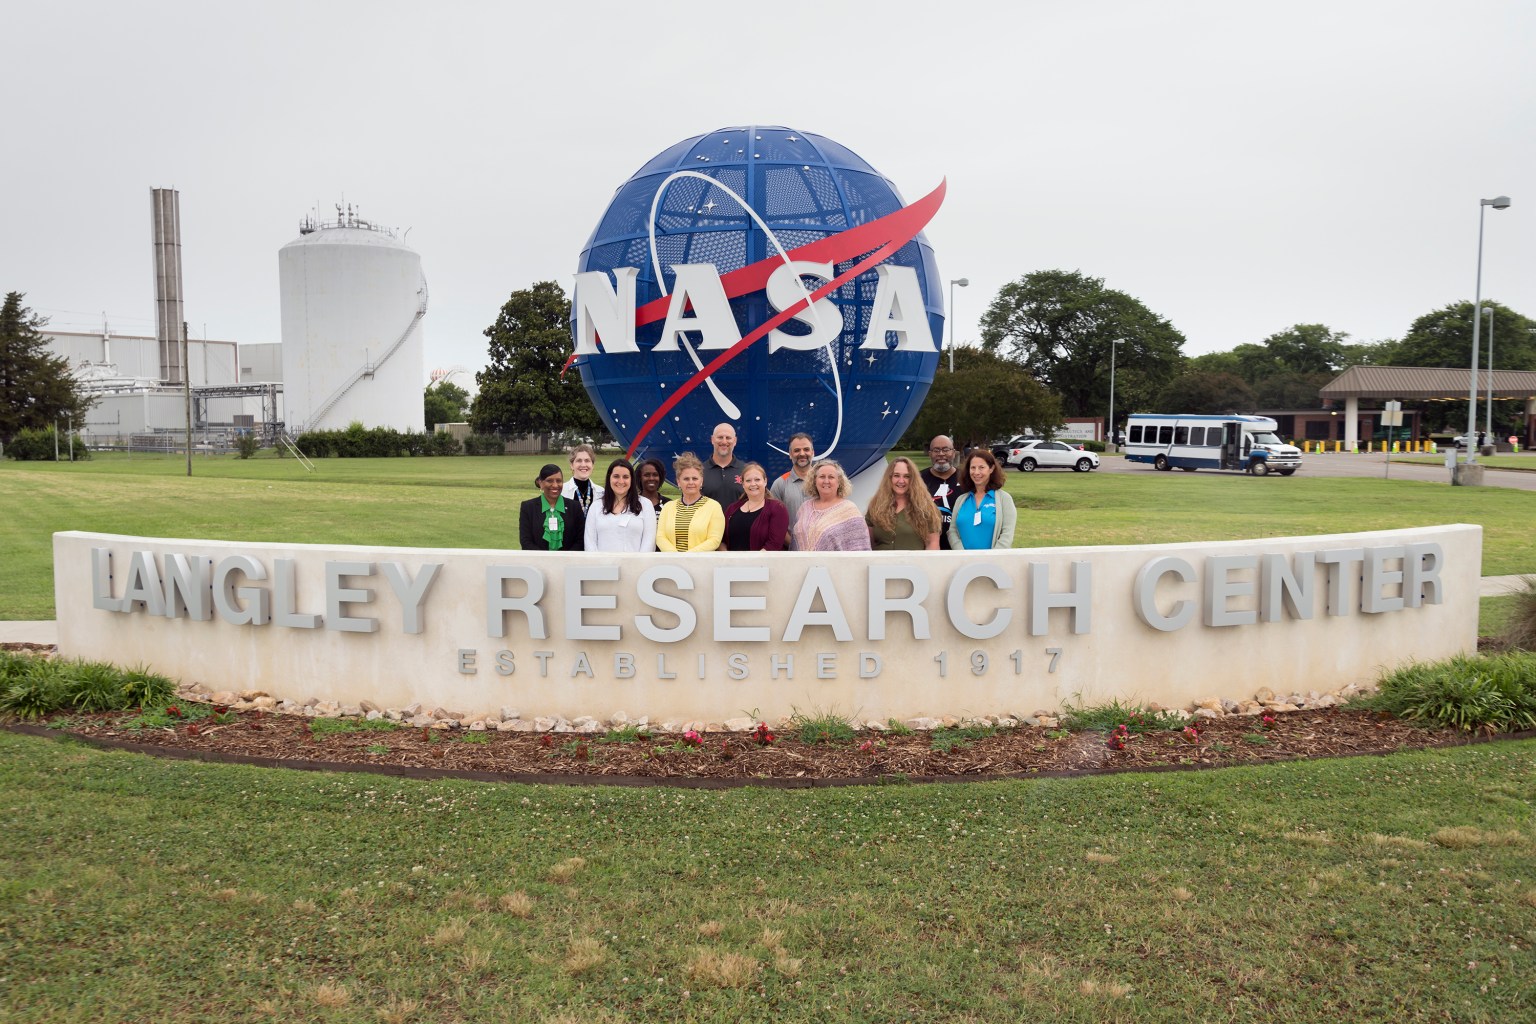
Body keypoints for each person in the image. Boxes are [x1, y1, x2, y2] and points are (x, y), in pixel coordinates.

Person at [793, 459, 872, 551]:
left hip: (835, 564)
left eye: (831, 477)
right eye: (822, 476)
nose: (826, 481)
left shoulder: (849, 510)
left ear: (839, 482)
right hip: (802, 564)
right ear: (815, 481)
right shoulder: (804, 508)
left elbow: (860, 549)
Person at [865, 456, 942, 550]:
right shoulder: (876, 505)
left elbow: (932, 543)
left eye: (907, 476)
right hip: (880, 563)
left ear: (913, 480)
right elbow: (868, 542)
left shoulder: (926, 507)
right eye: (896, 475)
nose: (901, 481)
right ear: (889, 478)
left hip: (913, 563)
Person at [948, 449, 1016, 551]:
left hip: (993, 563)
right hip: (964, 562)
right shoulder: (961, 500)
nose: (976, 472)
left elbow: (1007, 534)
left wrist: (990, 558)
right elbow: (952, 531)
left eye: (981, 467)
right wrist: (962, 555)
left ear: (991, 469)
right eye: (973, 468)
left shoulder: (1004, 499)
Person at [584, 459, 656, 552]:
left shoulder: (645, 505)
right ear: (609, 478)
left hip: (636, 565)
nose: (621, 481)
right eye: (616, 476)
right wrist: (599, 564)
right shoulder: (596, 506)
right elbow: (590, 542)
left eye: (625, 477)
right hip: (602, 565)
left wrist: (639, 564)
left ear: (632, 479)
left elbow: (649, 542)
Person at [657, 453, 725, 552]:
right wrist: (675, 556)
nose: (691, 482)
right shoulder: (668, 507)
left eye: (695, 478)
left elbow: (714, 540)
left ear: (701, 481)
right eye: (686, 479)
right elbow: (660, 537)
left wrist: (688, 557)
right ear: (678, 482)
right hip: (672, 563)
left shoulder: (714, 507)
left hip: (701, 564)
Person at [519, 464, 587, 551]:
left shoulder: (575, 507)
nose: (555, 485)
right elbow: (526, 542)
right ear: (541, 483)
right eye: (549, 481)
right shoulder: (528, 507)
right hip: (538, 562)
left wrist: (564, 560)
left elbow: (580, 541)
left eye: (559, 481)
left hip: (568, 562)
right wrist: (545, 560)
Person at [723, 462, 789, 551]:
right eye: (748, 480)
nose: (753, 484)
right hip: (733, 564)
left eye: (757, 480)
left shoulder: (777, 508)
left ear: (765, 481)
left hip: (763, 564)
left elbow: (774, 544)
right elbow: (722, 540)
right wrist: (728, 559)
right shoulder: (732, 509)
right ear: (743, 484)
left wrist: (753, 562)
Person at [770, 432, 815, 546]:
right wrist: (794, 546)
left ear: (813, 452)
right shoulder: (780, 484)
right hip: (790, 552)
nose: (802, 454)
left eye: (806, 449)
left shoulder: (825, 482)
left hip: (822, 551)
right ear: (790, 454)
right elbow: (774, 523)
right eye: (796, 450)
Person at [919, 435, 961, 550]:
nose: (941, 454)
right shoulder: (918, 479)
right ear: (930, 454)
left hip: (960, 548)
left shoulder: (966, 479)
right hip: (925, 548)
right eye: (936, 450)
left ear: (953, 453)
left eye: (946, 450)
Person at [701, 422, 747, 506]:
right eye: (720, 437)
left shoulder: (746, 470)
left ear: (735, 441)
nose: (724, 441)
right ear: (712, 439)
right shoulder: (699, 471)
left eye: (728, 438)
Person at [561, 443, 603, 515]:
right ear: (572, 465)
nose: (583, 465)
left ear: (592, 465)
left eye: (587, 460)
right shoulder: (561, 491)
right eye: (579, 460)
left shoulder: (601, 492)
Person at [637, 457, 670, 527]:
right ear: (640, 478)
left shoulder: (669, 505)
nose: (651, 478)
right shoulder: (632, 504)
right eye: (647, 475)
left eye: (655, 475)